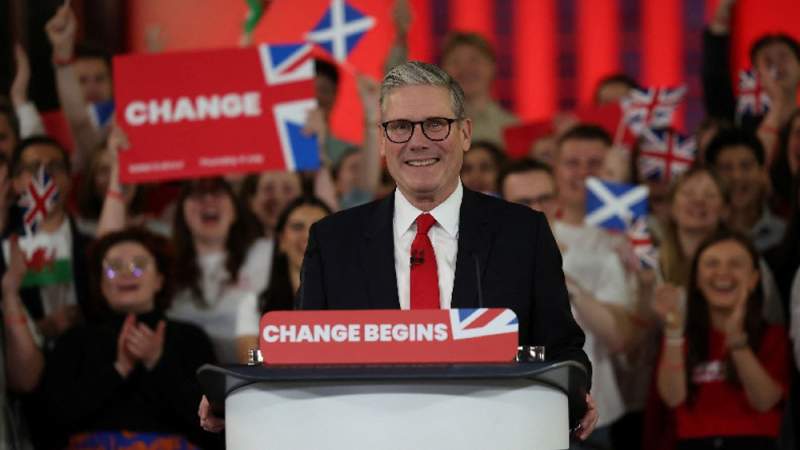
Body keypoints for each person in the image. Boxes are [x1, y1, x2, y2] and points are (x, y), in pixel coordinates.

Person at [201, 61, 597, 437]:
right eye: (401, 126)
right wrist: (240, 397)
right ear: (381, 138)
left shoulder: (523, 232)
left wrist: (575, 392)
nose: (418, 141)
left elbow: (563, 349)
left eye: (436, 124)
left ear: (465, 133)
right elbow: (306, 359)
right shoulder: (333, 240)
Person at [39, 228, 219, 449]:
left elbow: (212, 425)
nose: (126, 273)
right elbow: (51, 420)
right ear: (101, 284)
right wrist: (118, 369)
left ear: (160, 280)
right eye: (114, 267)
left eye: (139, 265)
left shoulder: (191, 339)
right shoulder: (75, 340)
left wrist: (157, 362)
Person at [655, 230, 788, 450]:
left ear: (754, 279)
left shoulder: (773, 336)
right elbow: (672, 398)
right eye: (711, 264)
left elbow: (765, 401)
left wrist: (737, 342)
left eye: (735, 264)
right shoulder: (681, 337)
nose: (722, 273)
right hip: (692, 444)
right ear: (697, 279)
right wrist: (673, 334)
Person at [704, 128, 785, 252]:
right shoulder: (702, 231)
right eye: (726, 168)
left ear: (762, 172)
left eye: (746, 166)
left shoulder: (785, 235)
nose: (737, 176)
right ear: (712, 176)